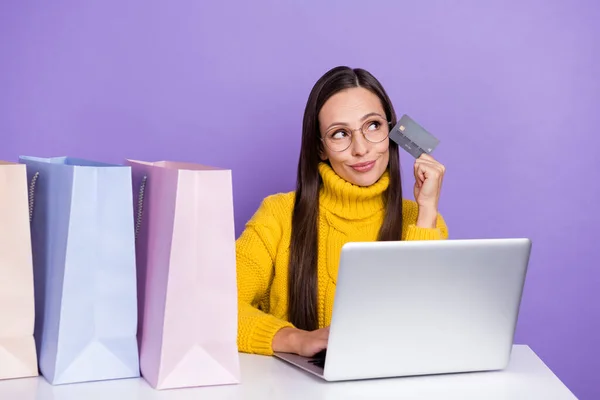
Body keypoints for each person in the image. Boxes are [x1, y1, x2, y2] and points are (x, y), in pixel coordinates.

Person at [235, 66, 448, 358]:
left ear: (391, 131)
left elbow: (426, 329)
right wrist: (295, 340)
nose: (360, 149)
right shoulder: (277, 215)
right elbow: (212, 307)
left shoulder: (422, 222)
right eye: (339, 134)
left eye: (373, 126)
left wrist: (427, 211)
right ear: (321, 148)